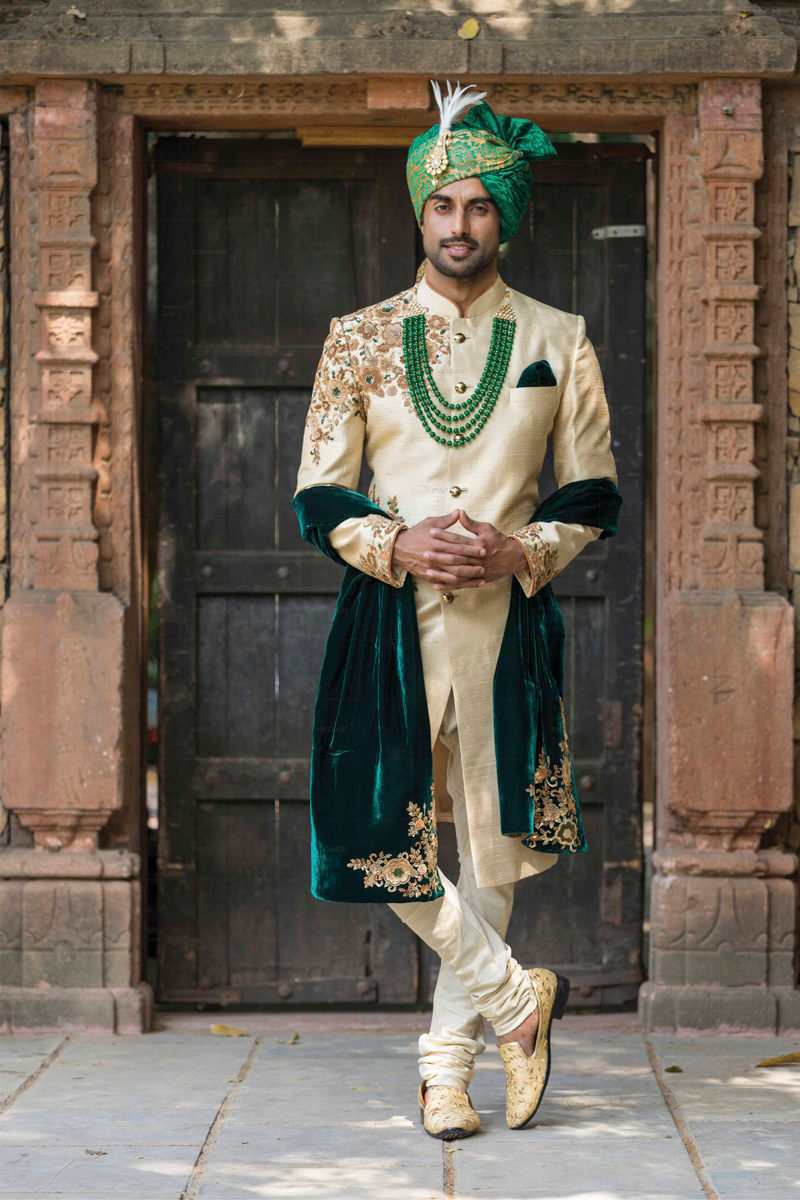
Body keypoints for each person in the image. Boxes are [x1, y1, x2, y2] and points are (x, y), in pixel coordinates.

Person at [293, 81, 620, 1139]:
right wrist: (391, 541)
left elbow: (590, 492)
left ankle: (445, 1072)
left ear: (503, 217)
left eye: (480, 206)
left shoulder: (556, 338)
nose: (459, 225)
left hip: (505, 627)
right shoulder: (356, 337)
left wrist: (521, 547)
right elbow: (319, 489)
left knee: (486, 846)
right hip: (383, 623)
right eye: (443, 206)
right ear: (418, 214)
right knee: (373, 835)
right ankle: (517, 998)